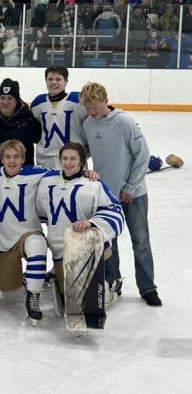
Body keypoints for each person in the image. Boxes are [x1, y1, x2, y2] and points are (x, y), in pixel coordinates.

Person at [80, 82, 162, 306]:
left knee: (140, 241)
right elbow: (88, 151)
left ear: (106, 100)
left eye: (96, 106)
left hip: (133, 195)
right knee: (109, 240)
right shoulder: (88, 124)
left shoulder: (124, 122)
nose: (92, 112)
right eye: (88, 108)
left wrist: (131, 187)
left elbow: (142, 155)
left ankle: (148, 288)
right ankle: (113, 282)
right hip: (107, 195)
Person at [36, 142, 125, 315]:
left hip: (87, 249)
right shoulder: (47, 181)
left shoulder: (94, 184)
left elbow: (114, 211)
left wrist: (91, 223)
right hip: (59, 249)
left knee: (86, 302)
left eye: (73, 159)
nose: (68, 163)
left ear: (82, 161)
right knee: (70, 301)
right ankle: (60, 281)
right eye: (64, 158)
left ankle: (109, 289)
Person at [0, 139, 51, 324]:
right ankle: (19, 278)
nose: (12, 161)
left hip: (27, 235)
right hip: (3, 242)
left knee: (37, 244)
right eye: (7, 157)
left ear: (23, 159)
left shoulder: (35, 173)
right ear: (1, 159)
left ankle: (34, 295)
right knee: (12, 298)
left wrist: (86, 173)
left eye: (16, 157)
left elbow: (63, 174)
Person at [29, 65, 87, 169]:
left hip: (73, 160)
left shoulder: (78, 101)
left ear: (66, 81)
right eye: (50, 79)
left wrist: (85, 152)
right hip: (46, 161)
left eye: (58, 79)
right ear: (46, 81)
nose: (54, 82)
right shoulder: (38, 104)